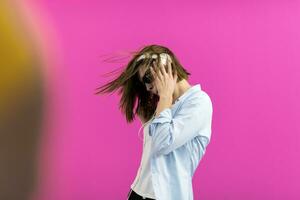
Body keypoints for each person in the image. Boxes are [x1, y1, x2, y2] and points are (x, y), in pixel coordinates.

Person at [96, 44, 213, 200]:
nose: (148, 86)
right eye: (144, 82)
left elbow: (162, 143)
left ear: (167, 67)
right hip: (137, 193)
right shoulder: (164, 104)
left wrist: (165, 96)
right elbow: (154, 158)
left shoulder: (199, 102)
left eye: (148, 78)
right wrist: (149, 121)